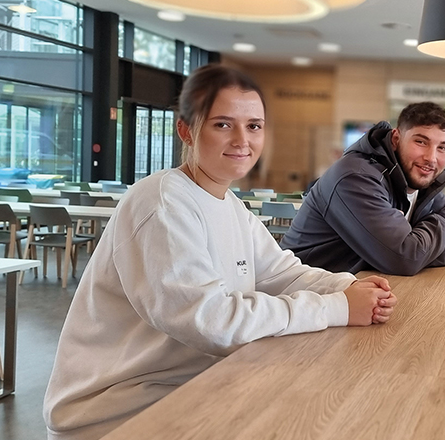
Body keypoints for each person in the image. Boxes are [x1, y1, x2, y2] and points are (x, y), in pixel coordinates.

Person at [43, 65, 397, 440]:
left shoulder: (229, 204)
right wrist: (338, 308)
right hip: (117, 414)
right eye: (223, 124)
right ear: (186, 130)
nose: (243, 140)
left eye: (254, 126)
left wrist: (349, 288)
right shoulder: (163, 202)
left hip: (190, 388)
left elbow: (282, 273)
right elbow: (212, 321)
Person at [279, 102, 445, 276]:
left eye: (442, 147)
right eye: (421, 142)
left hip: (356, 289)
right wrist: (439, 223)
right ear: (396, 139)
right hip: (305, 292)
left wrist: (413, 249)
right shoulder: (356, 177)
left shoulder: (420, 180)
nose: (431, 158)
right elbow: (405, 259)